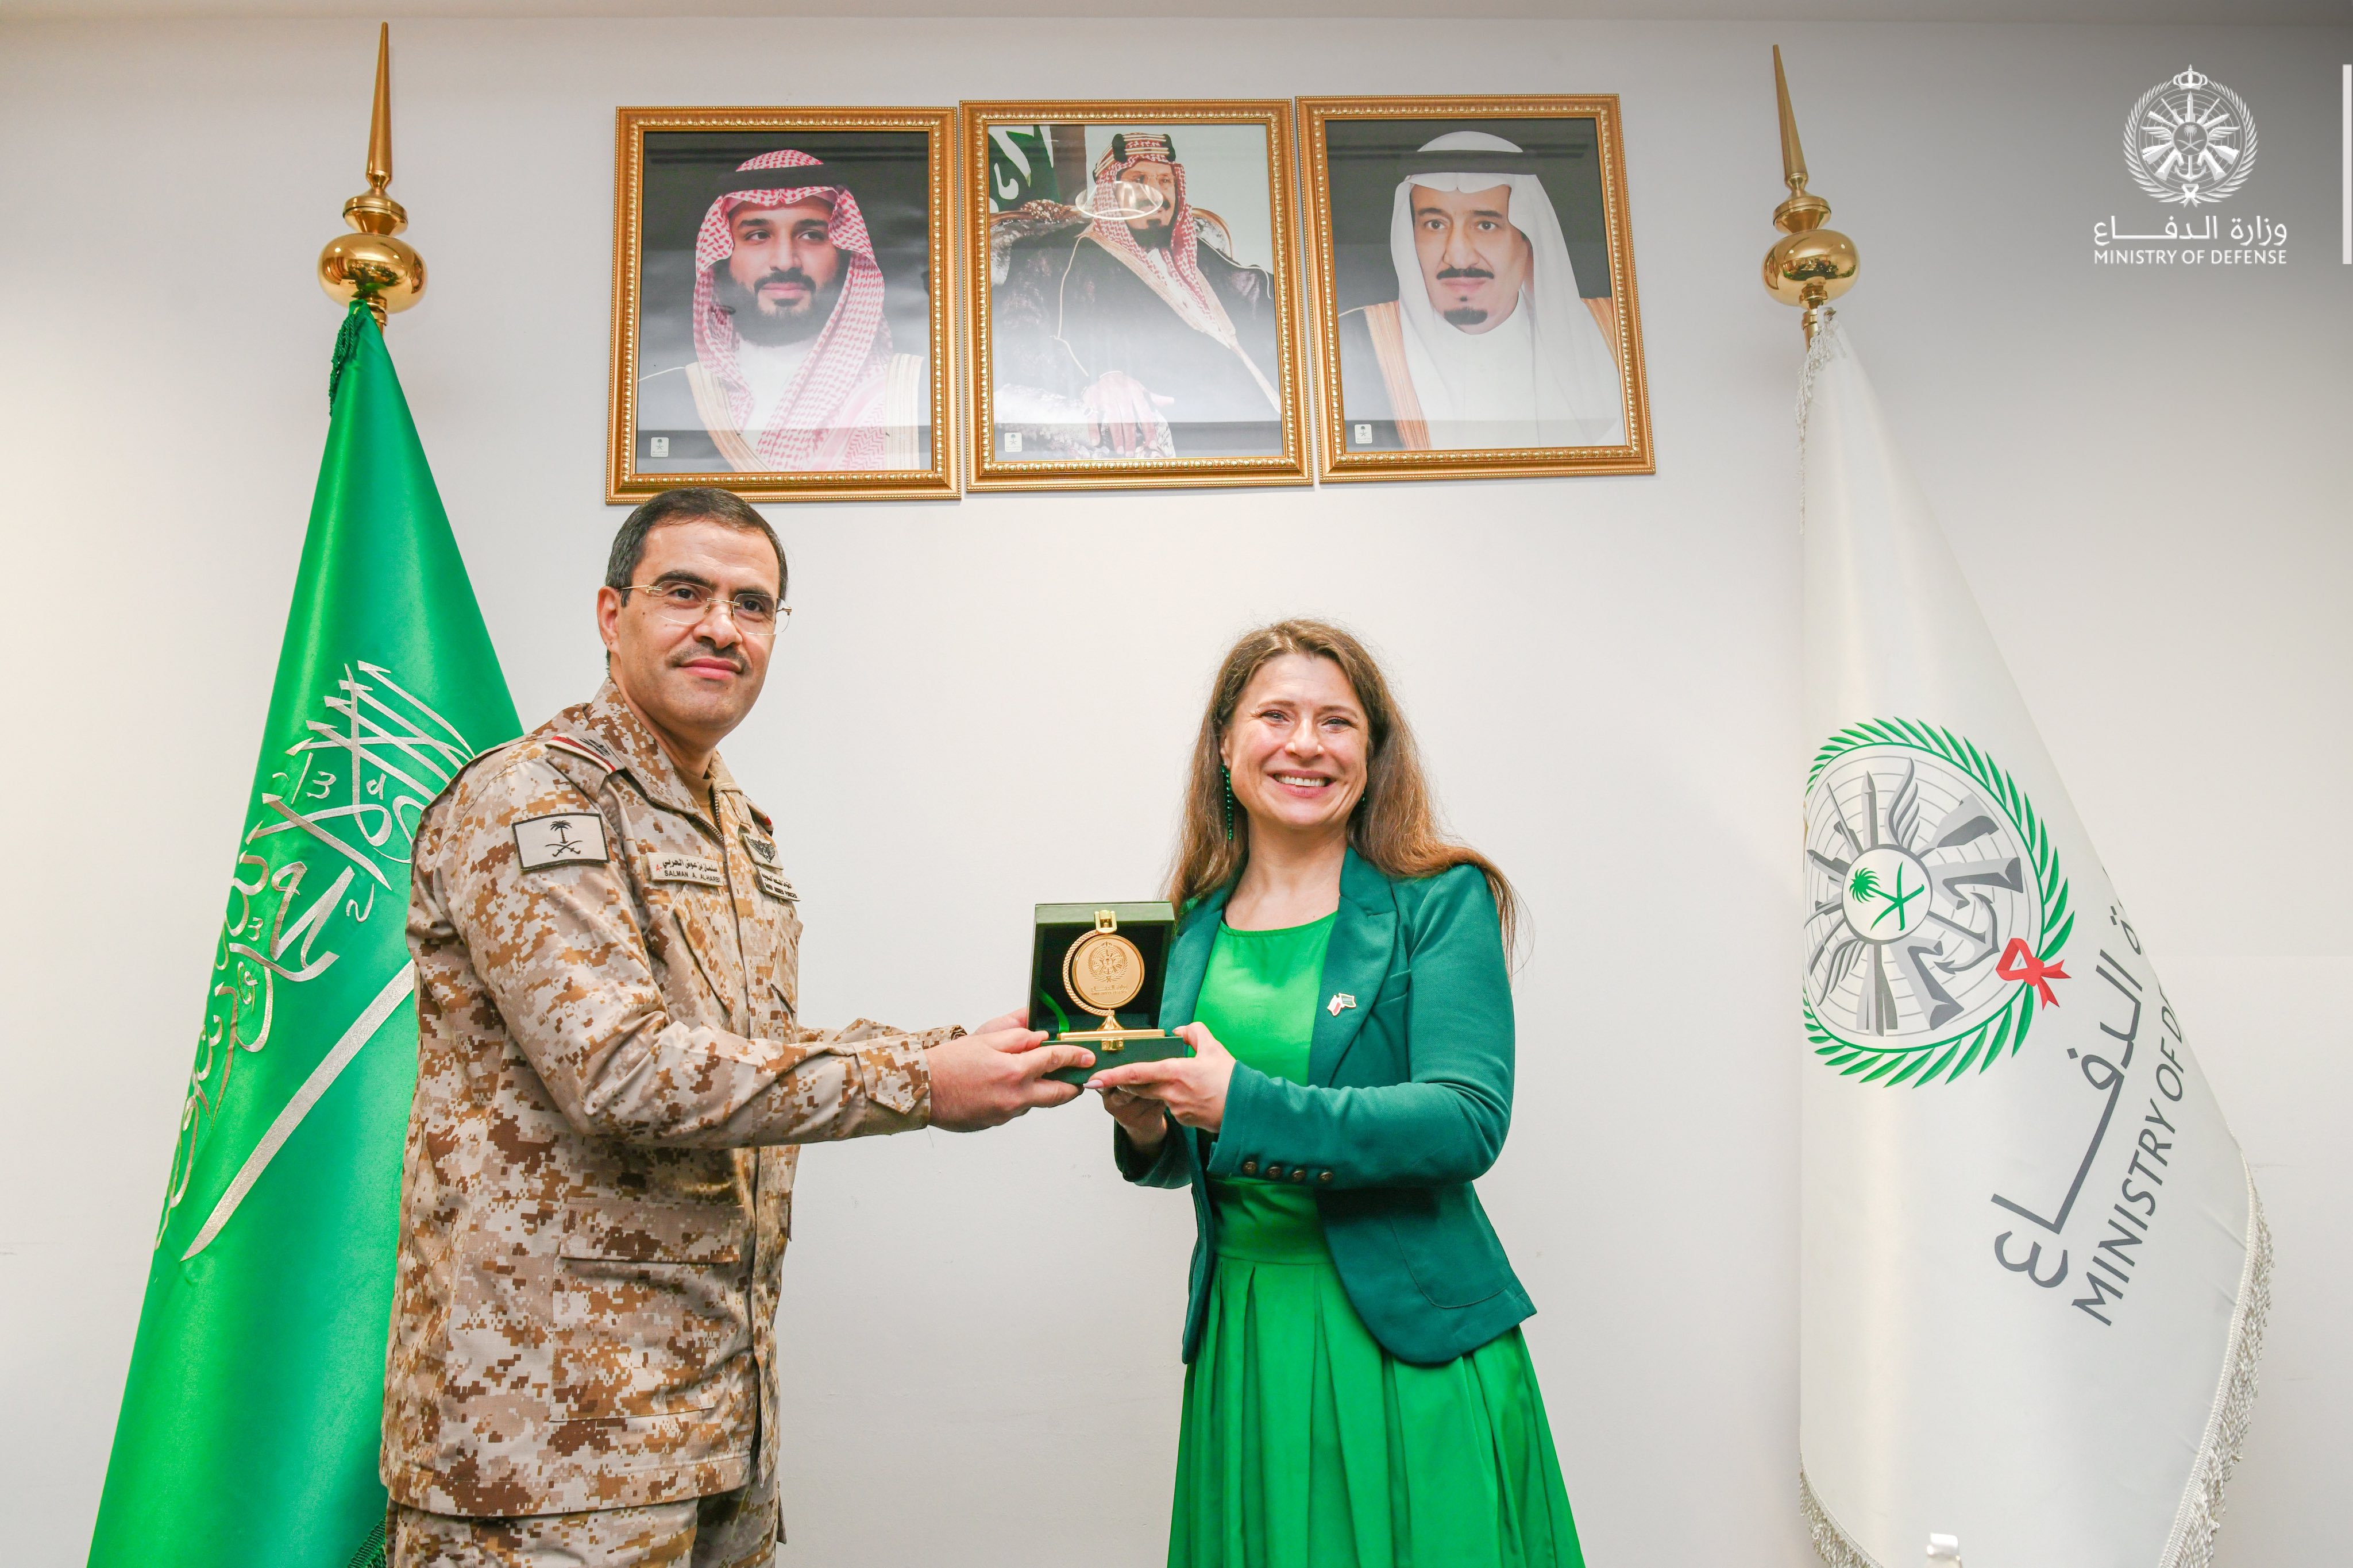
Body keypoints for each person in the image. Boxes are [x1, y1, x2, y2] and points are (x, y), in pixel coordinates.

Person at [380, 486, 1091, 1565]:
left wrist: (961, 1049)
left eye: (753, 606)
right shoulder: (534, 800)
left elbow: (746, 1048)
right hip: (543, 1454)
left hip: (714, 1425)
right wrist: (919, 1086)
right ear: (611, 613)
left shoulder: (734, 822)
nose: (722, 626)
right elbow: (620, 1070)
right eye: (686, 592)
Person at [1087, 619, 1584, 1568]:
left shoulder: (1439, 900)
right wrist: (1148, 1125)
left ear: (1372, 750)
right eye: (1275, 716)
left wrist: (1238, 1102)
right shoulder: (1183, 930)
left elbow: (1466, 1118)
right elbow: (1198, 1149)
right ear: (1225, 743)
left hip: (1406, 1346)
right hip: (1246, 1339)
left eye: (1337, 721)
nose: (1306, 744)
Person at [990, 131, 1283, 461]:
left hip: (1267, 409)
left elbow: (1259, 293)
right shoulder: (1060, 255)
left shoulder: (1196, 251)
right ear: (1110, 194)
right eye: (1139, 180)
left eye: (1165, 181)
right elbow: (1017, 337)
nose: (1155, 194)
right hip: (1196, 427)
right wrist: (1097, 381)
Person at [637, 150, 926, 473]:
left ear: (847, 255)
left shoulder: (907, 393)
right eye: (758, 236)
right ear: (721, 258)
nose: (786, 261)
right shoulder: (663, 396)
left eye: (812, 235)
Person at [1336, 130, 1624, 452]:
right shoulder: (1354, 339)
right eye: (1435, 225)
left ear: (1527, 239)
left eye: (1486, 225)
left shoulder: (1613, 334)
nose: (1458, 257)